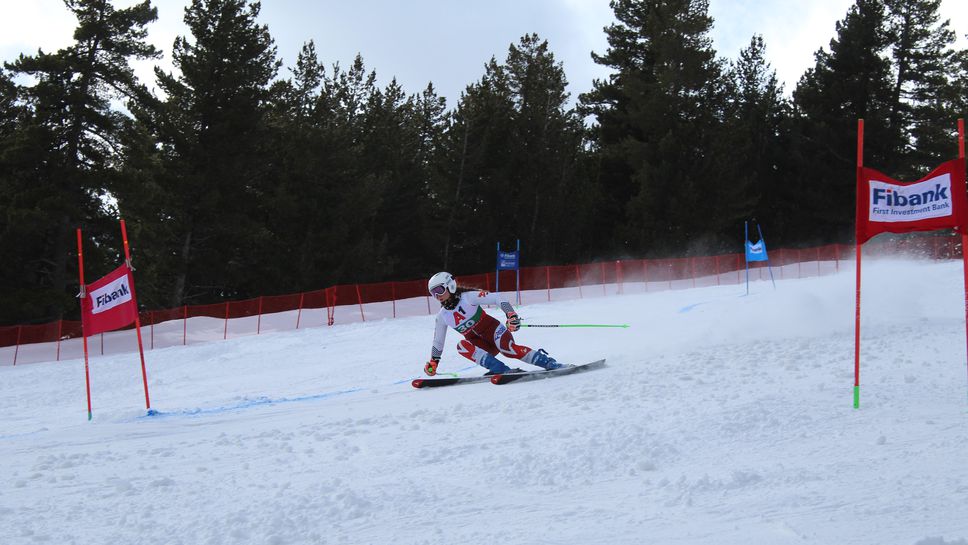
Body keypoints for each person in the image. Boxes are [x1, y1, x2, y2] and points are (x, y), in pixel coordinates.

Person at [423, 271, 564, 376]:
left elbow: (498, 298)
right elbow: (438, 342)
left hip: (494, 331)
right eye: (433, 293)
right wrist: (434, 362)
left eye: (439, 290)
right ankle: (500, 369)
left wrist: (511, 315)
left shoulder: (468, 298)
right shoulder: (442, 316)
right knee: (462, 347)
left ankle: (548, 363)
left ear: (450, 286)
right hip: (482, 344)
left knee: (508, 350)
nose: (437, 296)